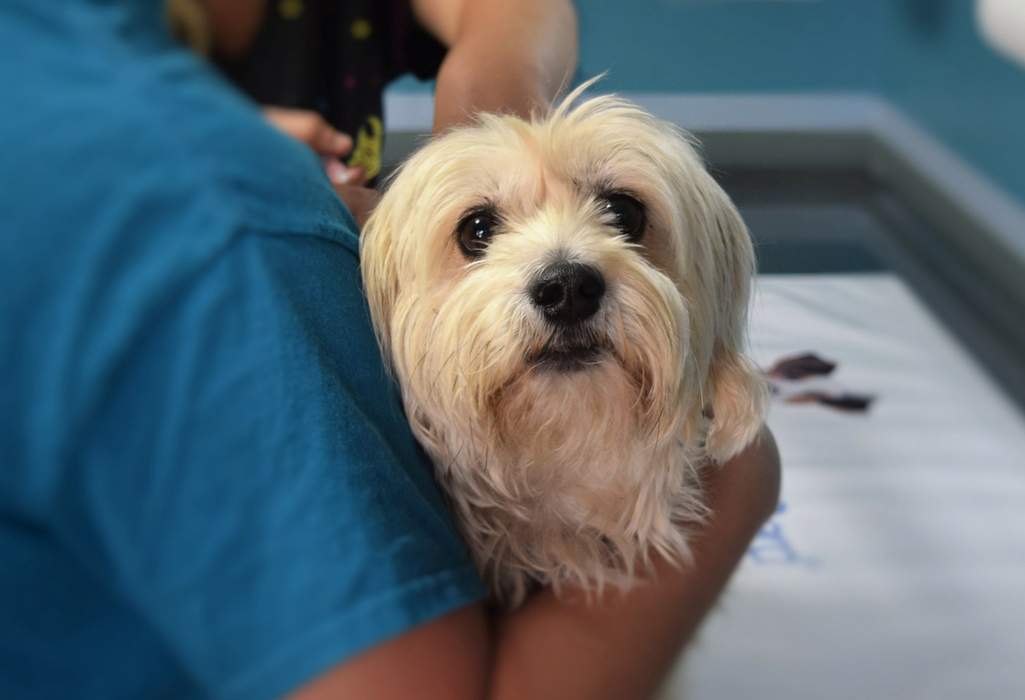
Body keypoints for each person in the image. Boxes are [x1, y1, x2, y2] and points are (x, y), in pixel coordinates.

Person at [0, 2, 781, 700]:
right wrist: (742, 479)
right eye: (480, 232)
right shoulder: (235, 232)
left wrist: (479, 144)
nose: (566, 275)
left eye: (623, 213)